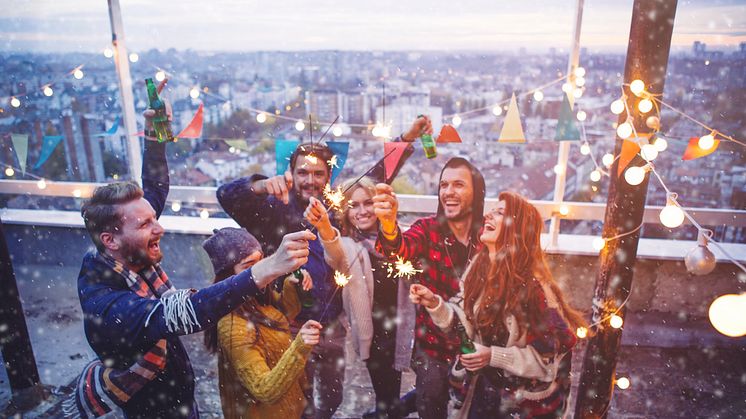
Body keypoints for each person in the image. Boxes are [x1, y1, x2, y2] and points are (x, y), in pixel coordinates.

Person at [75, 87, 315, 418]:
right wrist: (268, 268)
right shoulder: (104, 302)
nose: (159, 228)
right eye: (146, 224)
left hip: (174, 397)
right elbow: (183, 313)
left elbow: (156, 188)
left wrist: (156, 133)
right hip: (148, 409)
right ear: (110, 240)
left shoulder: (123, 248)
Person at [410, 191, 587, 418]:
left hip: (523, 404)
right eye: (492, 211)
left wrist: (492, 356)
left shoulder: (535, 291)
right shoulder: (480, 266)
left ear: (517, 230)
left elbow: (545, 362)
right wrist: (435, 303)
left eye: (500, 213)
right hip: (485, 390)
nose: (488, 217)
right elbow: (466, 322)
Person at [217, 143, 345, 419]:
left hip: (332, 325)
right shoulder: (273, 207)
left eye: (318, 173)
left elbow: (376, 181)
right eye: (303, 172)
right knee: (298, 396)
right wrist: (261, 186)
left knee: (333, 397)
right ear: (290, 173)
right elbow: (225, 195)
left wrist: (405, 140)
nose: (310, 180)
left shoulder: (337, 211)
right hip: (288, 323)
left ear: (329, 177)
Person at [373, 154, 486, 419]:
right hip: (432, 350)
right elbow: (397, 250)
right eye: (444, 185)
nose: (448, 192)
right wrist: (389, 223)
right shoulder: (427, 229)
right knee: (432, 408)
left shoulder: (486, 237)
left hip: (474, 350)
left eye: (458, 185)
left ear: (477, 192)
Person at [303, 177, 416, 419]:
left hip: (409, 327)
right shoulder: (347, 245)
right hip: (376, 336)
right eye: (354, 205)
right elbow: (333, 252)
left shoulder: (401, 237)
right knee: (387, 396)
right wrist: (323, 227)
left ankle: (384, 414)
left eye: (368, 203)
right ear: (345, 210)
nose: (363, 211)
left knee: (431, 387)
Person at [201, 227, 322, 419]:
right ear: (227, 275)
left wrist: (291, 286)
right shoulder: (232, 325)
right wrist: (299, 348)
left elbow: (280, 318)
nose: (259, 270)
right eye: (249, 265)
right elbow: (264, 390)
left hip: (293, 409)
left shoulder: (257, 295)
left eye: (261, 261)